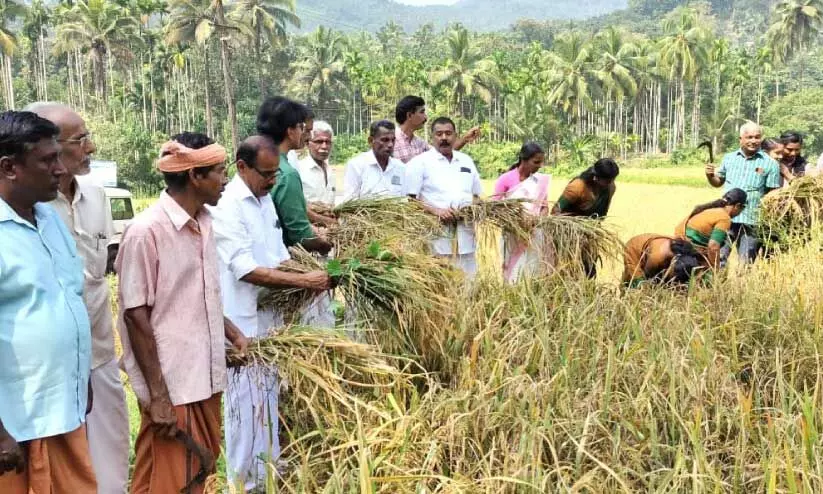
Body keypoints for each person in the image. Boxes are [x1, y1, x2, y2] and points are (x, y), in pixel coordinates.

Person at [117, 132, 248, 494]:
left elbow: (196, 295)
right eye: (220, 172)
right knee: (165, 477)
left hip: (203, 378)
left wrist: (229, 331)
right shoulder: (146, 232)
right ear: (195, 176)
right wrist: (159, 397)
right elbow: (135, 315)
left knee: (197, 474)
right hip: (173, 385)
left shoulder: (205, 222)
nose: (225, 180)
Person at [210, 136, 331, 491]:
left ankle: (268, 475)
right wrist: (305, 279)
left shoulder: (264, 201)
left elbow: (278, 257)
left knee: (267, 401)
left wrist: (314, 272)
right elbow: (245, 269)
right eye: (266, 174)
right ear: (241, 167)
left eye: (276, 174)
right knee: (245, 408)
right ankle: (245, 484)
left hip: (270, 318)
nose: (272, 181)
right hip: (242, 325)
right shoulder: (228, 205)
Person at [27, 102, 129, 493]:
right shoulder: (28, 207)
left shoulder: (97, 196)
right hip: (48, 369)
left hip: (99, 355)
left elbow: (103, 267)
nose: (91, 147)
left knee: (110, 465)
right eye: (80, 139)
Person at [0, 111, 97, 493]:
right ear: (9, 167)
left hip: (63, 413)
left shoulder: (50, 219)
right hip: (16, 425)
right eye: (47, 160)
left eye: (59, 156)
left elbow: (69, 299)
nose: (60, 169)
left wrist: (81, 373)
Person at [405, 117, 483, 276]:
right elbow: (410, 200)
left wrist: (473, 210)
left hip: (466, 240)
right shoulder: (420, 163)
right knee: (439, 291)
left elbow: (477, 196)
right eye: (439, 134)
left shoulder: (466, 161)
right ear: (432, 137)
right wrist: (437, 212)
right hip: (435, 242)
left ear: (455, 135)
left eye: (448, 133)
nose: (444, 138)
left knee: (468, 291)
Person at [257, 97, 333, 253]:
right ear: (290, 131)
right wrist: (329, 242)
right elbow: (300, 233)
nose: (306, 134)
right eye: (301, 127)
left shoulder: (256, 163)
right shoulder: (286, 173)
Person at [705, 122, 780, 264]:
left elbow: (772, 194)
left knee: (746, 261)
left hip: (752, 220)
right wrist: (710, 175)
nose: (753, 141)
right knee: (718, 257)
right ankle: (718, 284)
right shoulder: (729, 158)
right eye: (749, 137)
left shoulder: (770, 164)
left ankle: (742, 286)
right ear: (741, 139)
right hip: (726, 218)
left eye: (757, 137)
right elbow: (718, 182)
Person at [492, 142, 553, 282]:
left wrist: (537, 220)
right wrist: (516, 221)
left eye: (542, 162)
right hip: (512, 232)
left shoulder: (539, 181)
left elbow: (544, 206)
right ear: (523, 160)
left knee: (533, 272)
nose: (540, 166)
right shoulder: (505, 179)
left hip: (534, 232)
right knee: (513, 273)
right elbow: (495, 207)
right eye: (536, 162)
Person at [551, 158, 619, 277]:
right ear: (596, 177)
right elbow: (555, 211)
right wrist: (572, 232)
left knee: (589, 271)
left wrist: (593, 233)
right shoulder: (577, 187)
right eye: (607, 180)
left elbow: (602, 214)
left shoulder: (610, 188)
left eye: (612, 180)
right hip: (569, 236)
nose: (610, 183)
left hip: (590, 236)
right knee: (568, 271)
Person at [393, 95, 480, 163]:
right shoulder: (390, 140)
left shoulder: (420, 144)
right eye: (422, 112)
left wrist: (465, 139)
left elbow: (441, 153)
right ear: (409, 115)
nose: (426, 117)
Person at [674, 188, 747, 268]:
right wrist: (716, 268)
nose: (740, 212)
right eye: (743, 208)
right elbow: (713, 246)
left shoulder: (711, 210)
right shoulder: (725, 218)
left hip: (679, 241)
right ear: (737, 206)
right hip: (689, 248)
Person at [342, 120, 405, 202]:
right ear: (371, 141)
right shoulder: (356, 165)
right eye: (385, 140)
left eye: (393, 140)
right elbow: (349, 202)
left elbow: (404, 200)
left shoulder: (400, 167)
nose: (390, 145)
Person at [622, 234, 702, 288]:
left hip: (654, 242)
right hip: (633, 249)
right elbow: (648, 278)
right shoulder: (656, 259)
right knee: (637, 284)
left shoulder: (685, 252)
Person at [296, 120, 336, 208]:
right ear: (307, 143)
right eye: (319, 142)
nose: (324, 147)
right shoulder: (298, 170)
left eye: (328, 142)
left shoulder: (330, 171)